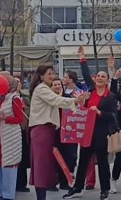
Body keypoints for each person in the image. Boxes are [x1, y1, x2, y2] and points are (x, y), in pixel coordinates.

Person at [63, 52, 120, 200]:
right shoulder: (90, 91)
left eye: (103, 76)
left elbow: (113, 116)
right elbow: (86, 74)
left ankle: (105, 190)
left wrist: (99, 112)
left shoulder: (110, 96)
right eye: (98, 76)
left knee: (102, 162)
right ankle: (77, 188)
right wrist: (82, 58)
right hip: (87, 131)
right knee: (83, 160)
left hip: (101, 132)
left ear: (107, 80)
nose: (100, 78)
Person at [28, 65, 88, 200]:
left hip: (46, 130)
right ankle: (40, 197)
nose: (52, 75)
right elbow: (57, 100)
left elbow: (58, 100)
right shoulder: (42, 89)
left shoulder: (45, 89)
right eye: (49, 73)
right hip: (42, 130)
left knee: (44, 165)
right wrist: (75, 100)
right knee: (41, 165)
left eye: (53, 73)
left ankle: (42, 195)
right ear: (41, 76)